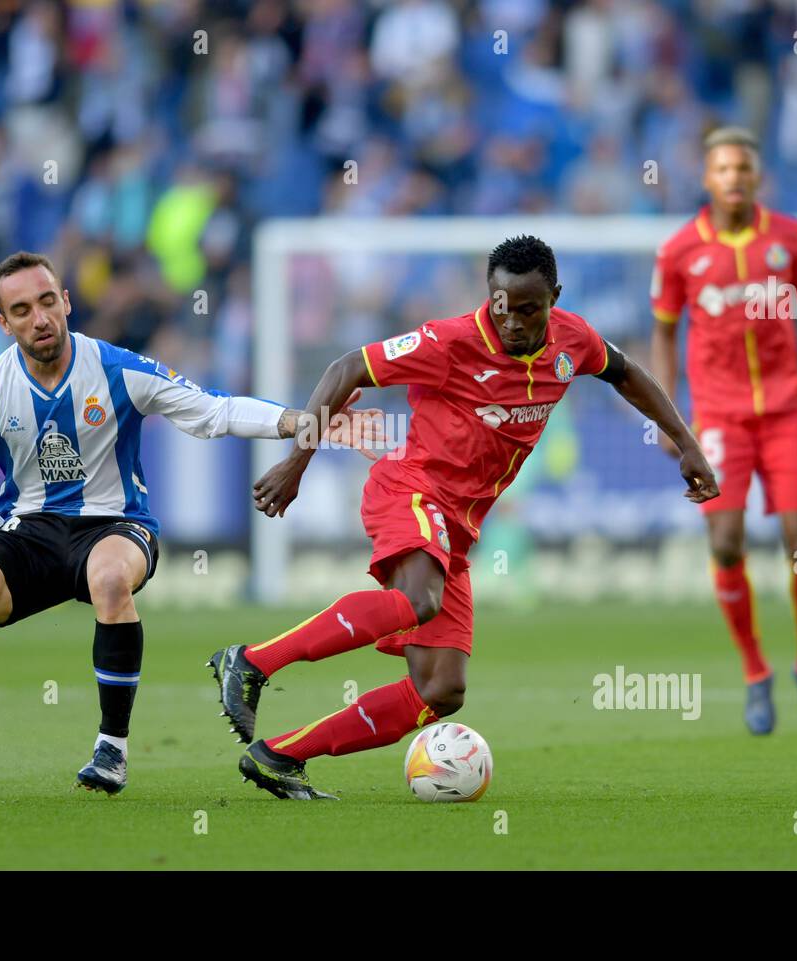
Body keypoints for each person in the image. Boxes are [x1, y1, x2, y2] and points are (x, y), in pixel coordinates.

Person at [209, 234, 719, 799]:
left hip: (457, 526)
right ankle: (252, 661)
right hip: (410, 490)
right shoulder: (450, 341)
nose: (512, 323)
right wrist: (296, 463)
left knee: (441, 690)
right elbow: (346, 367)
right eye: (502, 306)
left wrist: (686, 442)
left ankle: (279, 756)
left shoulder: (574, 339)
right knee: (419, 600)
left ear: (554, 297)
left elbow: (625, 373)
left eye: (528, 309)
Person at [0, 251, 376, 799]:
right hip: (31, 533)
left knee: (110, 579)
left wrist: (303, 421)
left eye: (48, 302)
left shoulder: (117, 369)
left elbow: (211, 411)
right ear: (3, 324)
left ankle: (112, 750)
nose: (39, 318)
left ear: (66, 301)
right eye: (21, 310)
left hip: (116, 526)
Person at [650, 126, 797, 735]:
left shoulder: (790, 238)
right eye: (723, 168)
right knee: (726, 541)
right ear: (707, 179)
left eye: (744, 168)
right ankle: (756, 672)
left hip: (786, 410)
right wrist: (666, 413)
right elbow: (663, 330)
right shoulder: (681, 249)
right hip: (719, 416)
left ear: (758, 177)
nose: (734, 177)